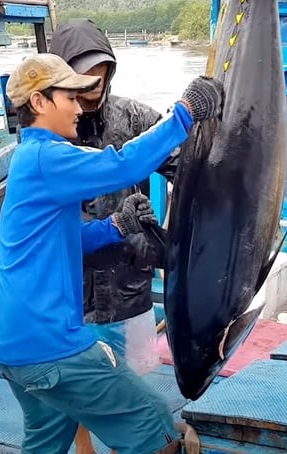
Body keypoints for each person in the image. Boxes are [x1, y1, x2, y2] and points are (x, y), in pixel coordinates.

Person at [0, 52, 223, 454]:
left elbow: (66, 241)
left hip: (14, 346)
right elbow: (123, 165)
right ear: (40, 103)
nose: (80, 108)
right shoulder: (49, 156)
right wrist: (185, 112)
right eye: (70, 98)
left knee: (46, 442)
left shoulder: (30, 160)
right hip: (51, 345)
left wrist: (116, 226)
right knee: (155, 425)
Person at [47, 21, 181, 453]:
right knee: (76, 386)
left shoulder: (135, 117)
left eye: (100, 73)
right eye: (81, 77)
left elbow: (185, 164)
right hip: (74, 289)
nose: (93, 86)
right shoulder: (51, 131)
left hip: (128, 279)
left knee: (132, 386)